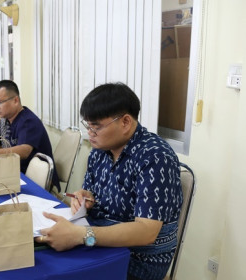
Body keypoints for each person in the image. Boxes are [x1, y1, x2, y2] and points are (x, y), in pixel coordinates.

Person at [35, 83, 183, 280]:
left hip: (138, 258)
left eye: (96, 127)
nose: (90, 133)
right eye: (88, 125)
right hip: (97, 237)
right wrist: (84, 198)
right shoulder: (99, 152)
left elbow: (146, 232)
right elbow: (89, 192)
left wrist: (79, 235)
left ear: (125, 122)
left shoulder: (155, 157)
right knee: (39, 258)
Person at [0, 80, 60, 192]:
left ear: (15, 100)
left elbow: (24, 151)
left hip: (32, 180)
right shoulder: (5, 119)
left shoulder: (28, 121)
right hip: (13, 172)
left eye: (0, 102)